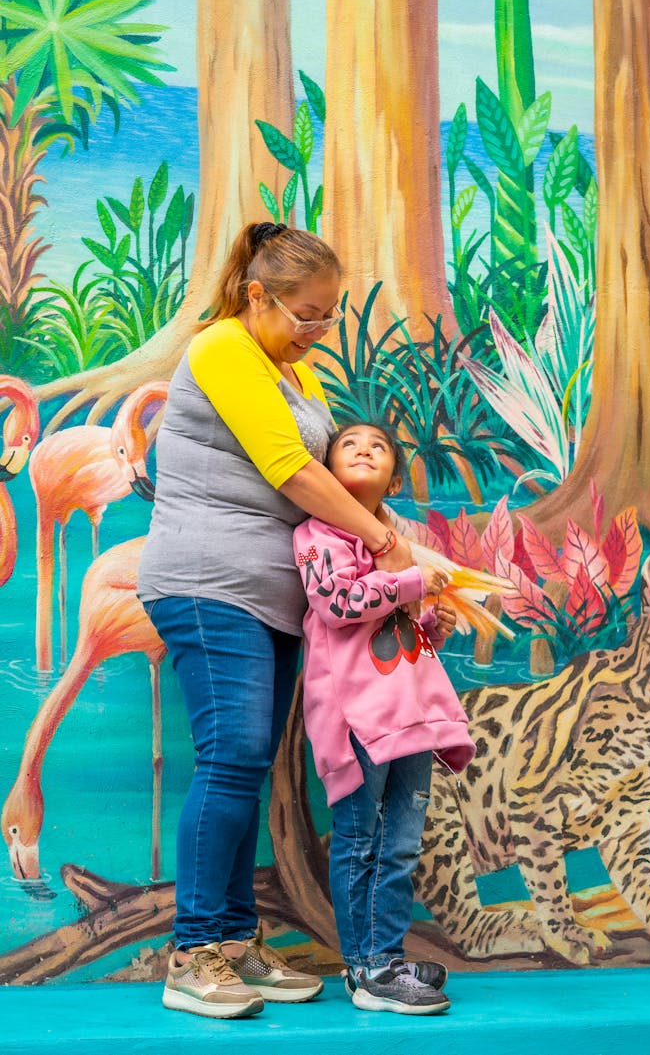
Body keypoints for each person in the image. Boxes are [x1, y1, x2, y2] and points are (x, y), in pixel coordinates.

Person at [137, 222, 416, 1019]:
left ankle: (232, 940)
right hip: (207, 582)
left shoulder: (294, 375)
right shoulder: (225, 347)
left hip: (275, 600)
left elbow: (334, 474)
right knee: (233, 755)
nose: (320, 331)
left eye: (330, 314)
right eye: (306, 314)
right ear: (257, 295)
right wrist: (383, 540)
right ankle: (192, 954)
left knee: (249, 765)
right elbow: (293, 470)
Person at [293, 422, 476, 1016]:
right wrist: (413, 581)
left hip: (409, 719)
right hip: (360, 721)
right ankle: (365, 968)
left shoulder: (397, 543)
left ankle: (387, 954)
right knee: (359, 840)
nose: (364, 448)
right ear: (325, 472)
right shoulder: (317, 536)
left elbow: (389, 640)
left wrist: (429, 631)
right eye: (348, 444)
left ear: (394, 478)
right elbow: (339, 604)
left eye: (378, 446)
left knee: (399, 845)